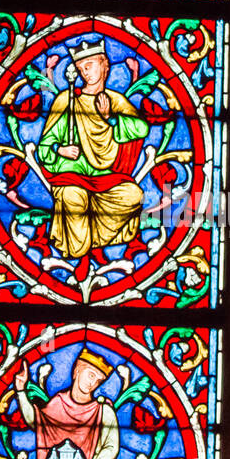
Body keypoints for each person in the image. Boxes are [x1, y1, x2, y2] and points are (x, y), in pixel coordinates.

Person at [35, 40, 149, 281]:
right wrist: (60, 150)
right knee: (73, 197)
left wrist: (110, 119)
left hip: (106, 179)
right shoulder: (66, 102)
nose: (85, 71)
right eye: (80, 67)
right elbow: (43, 149)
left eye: (90, 64)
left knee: (134, 195)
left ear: (104, 65)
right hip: (71, 177)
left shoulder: (115, 100)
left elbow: (141, 128)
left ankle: (89, 241)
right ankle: (83, 253)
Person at [13, 348, 123, 459]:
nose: (93, 383)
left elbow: (111, 448)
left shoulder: (103, 411)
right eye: (91, 375)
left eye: (98, 381)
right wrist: (21, 391)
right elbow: (36, 422)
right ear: (76, 371)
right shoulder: (57, 403)